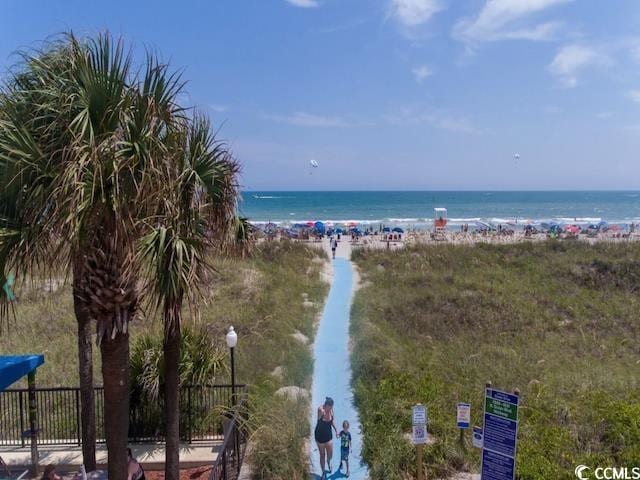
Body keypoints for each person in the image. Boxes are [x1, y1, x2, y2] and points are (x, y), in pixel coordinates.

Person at [314, 397, 338, 478]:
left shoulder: (331, 411)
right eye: (330, 407)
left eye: (332, 407)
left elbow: (332, 421)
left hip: (328, 436)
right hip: (320, 436)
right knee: (322, 455)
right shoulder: (321, 410)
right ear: (326, 405)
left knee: (330, 454)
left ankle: (328, 462)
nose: (331, 408)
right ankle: (323, 472)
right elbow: (320, 411)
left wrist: (336, 430)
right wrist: (322, 411)